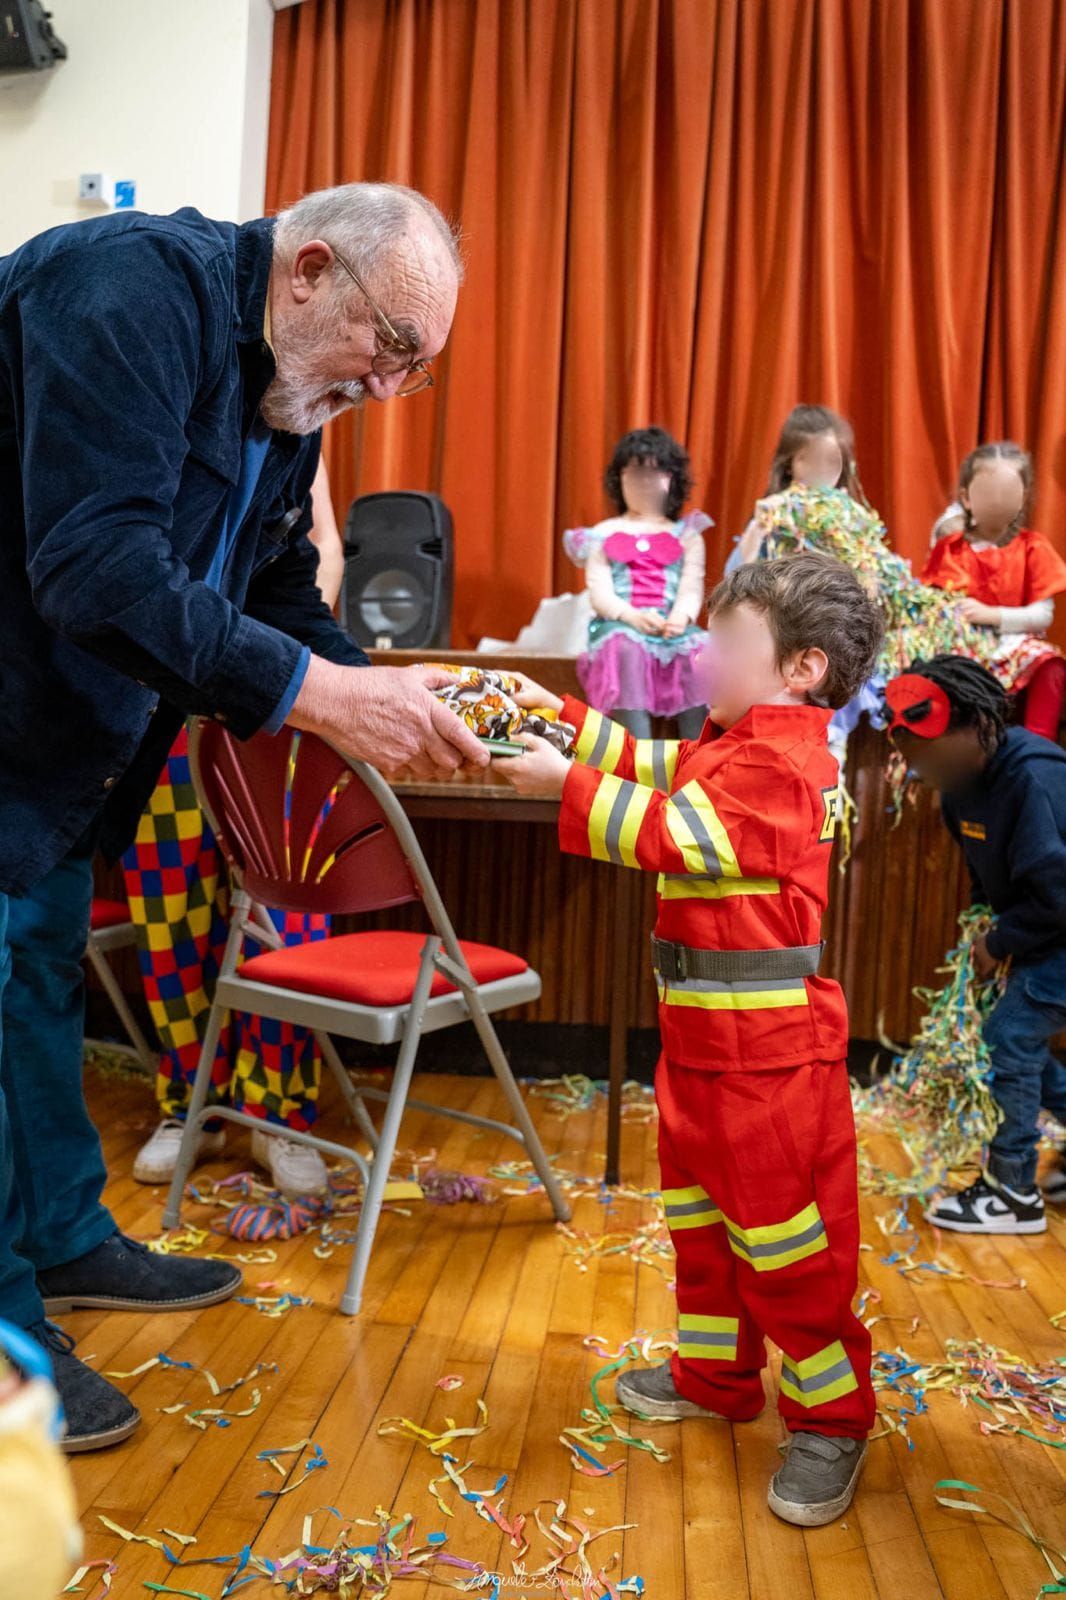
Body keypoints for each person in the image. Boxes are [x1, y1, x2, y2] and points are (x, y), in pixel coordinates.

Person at [0, 181, 488, 1451]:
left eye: (413, 373)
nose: (386, 393)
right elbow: (96, 565)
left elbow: (271, 578)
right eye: (390, 349)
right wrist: (317, 694)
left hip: (55, 758)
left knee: (33, 981)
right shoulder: (125, 290)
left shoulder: (289, 390)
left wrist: (363, 687)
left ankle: (61, 1240)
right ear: (312, 267)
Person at [495, 552, 884, 1527]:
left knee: (789, 1247)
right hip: (702, 1048)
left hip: (768, 1063)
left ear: (800, 669)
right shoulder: (738, 741)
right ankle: (715, 1375)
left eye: (727, 644)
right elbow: (665, 767)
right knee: (702, 1225)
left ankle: (831, 1414)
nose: (704, 658)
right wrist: (560, 722)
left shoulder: (789, 763)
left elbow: (677, 830)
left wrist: (560, 783)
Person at [126, 459, 347, 1197]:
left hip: (274, 705)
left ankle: (279, 1115)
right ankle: (190, 1106)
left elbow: (323, 555)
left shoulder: (290, 427)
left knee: (285, 916)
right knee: (169, 916)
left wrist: (287, 673)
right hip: (163, 713)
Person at [885, 656, 1066, 1230]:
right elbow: (986, 878)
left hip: (1059, 920)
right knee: (1020, 1040)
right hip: (1043, 924)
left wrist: (1000, 942)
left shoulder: (1035, 777)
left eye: (931, 753)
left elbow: (1059, 893)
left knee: (1007, 1037)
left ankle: (1012, 1193)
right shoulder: (960, 790)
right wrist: (980, 939)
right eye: (914, 757)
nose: (922, 769)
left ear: (977, 724)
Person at [565, 427, 711, 740]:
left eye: (653, 474)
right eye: (634, 474)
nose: (644, 483)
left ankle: (699, 754)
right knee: (626, 648)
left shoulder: (688, 535)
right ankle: (637, 753)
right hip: (620, 625)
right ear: (619, 480)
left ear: (672, 479)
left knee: (701, 650)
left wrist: (680, 618)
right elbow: (600, 593)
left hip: (672, 626)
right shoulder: (601, 534)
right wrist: (632, 616)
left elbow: (691, 587)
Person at [921, 443, 1066, 740]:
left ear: (1023, 497)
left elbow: (1042, 615)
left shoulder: (1033, 547)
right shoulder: (953, 548)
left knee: (1050, 663)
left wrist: (993, 615)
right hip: (962, 643)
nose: (997, 501)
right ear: (966, 497)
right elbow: (934, 600)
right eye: (988, 492)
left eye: (1007, 492)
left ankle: (1038, 746)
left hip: (1014, 644)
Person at [725, 404, 864, 573]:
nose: (820, 469)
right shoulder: (774, 517)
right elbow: (734, 577)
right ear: (789, 464)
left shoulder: (855, 520)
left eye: (832, 460)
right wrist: (757, 529)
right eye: (808, 459)